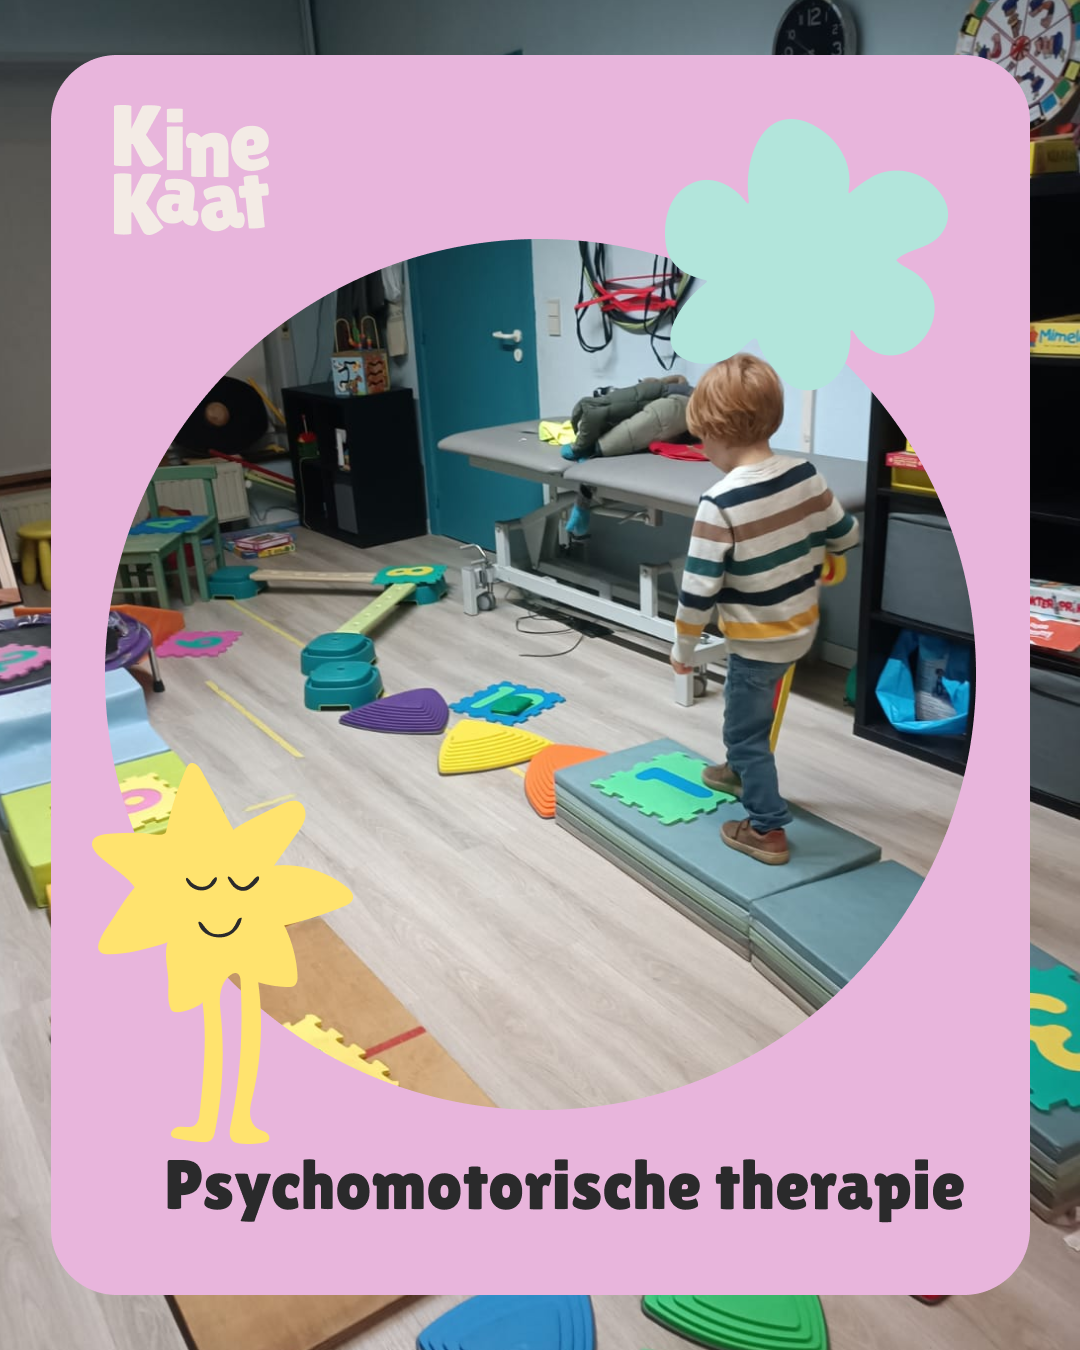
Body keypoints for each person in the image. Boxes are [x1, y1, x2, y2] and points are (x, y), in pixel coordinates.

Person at [670, 354, 860, 865]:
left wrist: (683, 649)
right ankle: (737, 771)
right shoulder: (805, 474)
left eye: (701, 440)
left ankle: (766, 827)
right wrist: (829, 554)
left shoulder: (719, 503)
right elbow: (846, 534)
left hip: (758, 641)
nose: (703, 449)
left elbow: (697, 592)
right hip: (800, 628)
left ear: (715, 432)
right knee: (750, 715)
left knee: (745, 730)